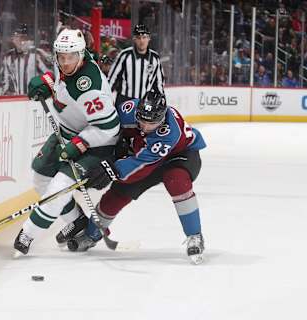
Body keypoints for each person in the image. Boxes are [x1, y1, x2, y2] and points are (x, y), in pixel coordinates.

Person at [67, 91, 207, 264]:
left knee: (176, 181)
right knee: (118, 194)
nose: (145, 127)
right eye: (142, 120)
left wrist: (112, 169)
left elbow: (141, 163)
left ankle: (195, 235)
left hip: (179, 155)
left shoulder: (169, 133)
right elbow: (109, 131)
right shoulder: (128, 110)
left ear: (162, 118)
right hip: (144, 155)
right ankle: (92, 233)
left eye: (152, 123)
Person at [13, 28, 120, 255]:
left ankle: (27, 235)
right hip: (66, 130)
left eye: (70, 57)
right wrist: (48, 83)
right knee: (41, 177)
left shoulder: (89, 88)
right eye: (61, 57)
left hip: (96, 144)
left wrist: (80, 143)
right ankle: (77, 221)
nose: (64, 62)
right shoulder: (71, 60)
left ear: (80, 56)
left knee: (58, 188)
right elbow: (63, 88)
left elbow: (110, 128)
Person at [108, 24, 165, 107]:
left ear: (149, 38)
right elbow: (112, 79)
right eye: (138, 38)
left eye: (144, 37)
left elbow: (159, 82)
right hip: (124, 102)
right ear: (134, 39)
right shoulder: (124, 55)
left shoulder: (155, 58)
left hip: (145, 103)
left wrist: (161, 99)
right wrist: (106, 98)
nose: (142, 41)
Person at [0, 23, 49, 95]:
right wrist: (8, 93)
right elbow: (4, 82)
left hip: (35, 100)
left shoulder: (37, 54)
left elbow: (50, 76)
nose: (20, 40)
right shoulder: (8, 57)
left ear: (28, 39)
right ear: (13, 39)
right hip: (16, 101)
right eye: (17, 37)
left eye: (23, 37)